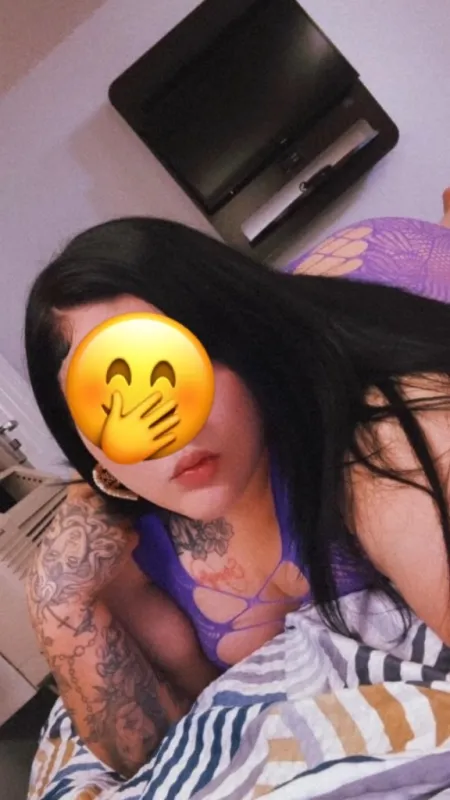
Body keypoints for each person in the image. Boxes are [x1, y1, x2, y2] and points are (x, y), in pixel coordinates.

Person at [25, 191, 450, 776]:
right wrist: (53, 601)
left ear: (242, 338)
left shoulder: (382, 433)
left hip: (383, 275)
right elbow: (146, 753)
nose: (169, 426)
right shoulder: (125, 555)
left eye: (180, 360)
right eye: (108, 399)